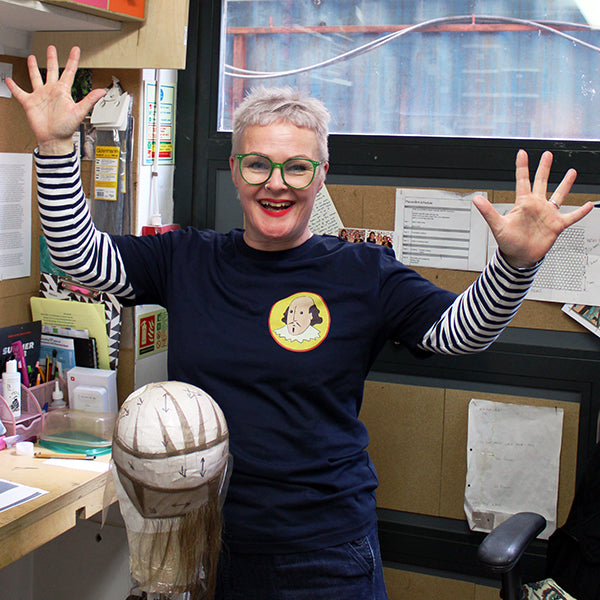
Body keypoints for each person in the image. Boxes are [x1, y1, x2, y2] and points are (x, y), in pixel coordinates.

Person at [7, 45, 593, 600]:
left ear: (322, 174)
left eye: (296, 167)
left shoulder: (364, 272)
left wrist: (515, 265)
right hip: (204, 539)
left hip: (325, 552)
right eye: (257, 164)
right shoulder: (188, 258)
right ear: (235, 171)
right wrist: (58, 148)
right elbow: (77, 254)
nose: (276, 183)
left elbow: (459, 333)